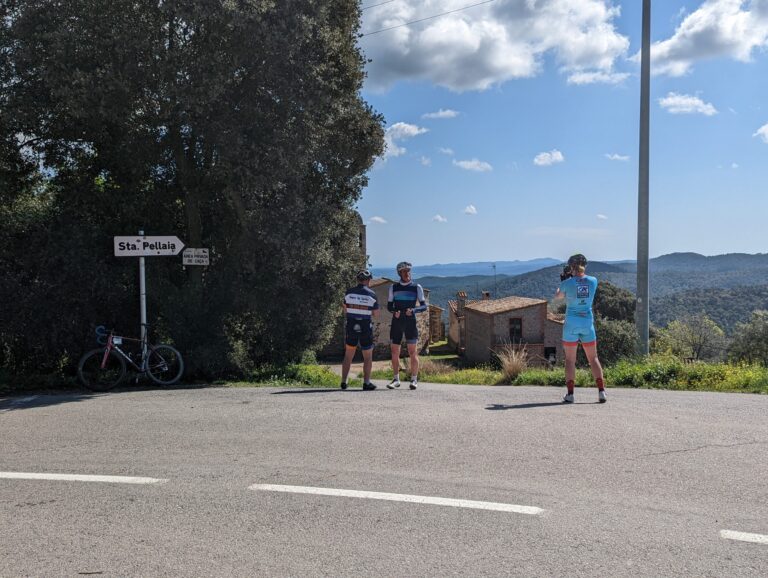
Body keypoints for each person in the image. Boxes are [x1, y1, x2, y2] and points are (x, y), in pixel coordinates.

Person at [553, 254, 607, 404]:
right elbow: (582, 283)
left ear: (571, 267)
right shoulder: (593, 281)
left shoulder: (567, 283)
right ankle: (601, 392)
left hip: (571, 324)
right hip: (587, 324)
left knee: (570, 360)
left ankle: (570, 394)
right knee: (593, 358)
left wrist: (563, 282)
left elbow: (558, 297)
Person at [387, 261, 426, 390]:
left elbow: (424, 306)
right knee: (394, 351)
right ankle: (396, 379)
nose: (407, 273)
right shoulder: (393, 287)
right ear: (399, 273)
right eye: (404, 271)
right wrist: (394, 312)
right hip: (397, 322)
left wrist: (413, 310)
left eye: (408, 271)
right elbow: (389, 306)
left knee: (412, 352)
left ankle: (414, 380)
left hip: (410, 322)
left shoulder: (417, 287)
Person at [340, 270, 380, 391]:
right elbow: (376, 314)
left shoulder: (349, 292)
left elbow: (345, 309)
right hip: (365, 326)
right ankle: (366, 383)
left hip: (351, 325)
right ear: (368, 280)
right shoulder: (372, 294)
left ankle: (344, 381)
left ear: (358, 280)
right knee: (367, 356)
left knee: (348, 354)